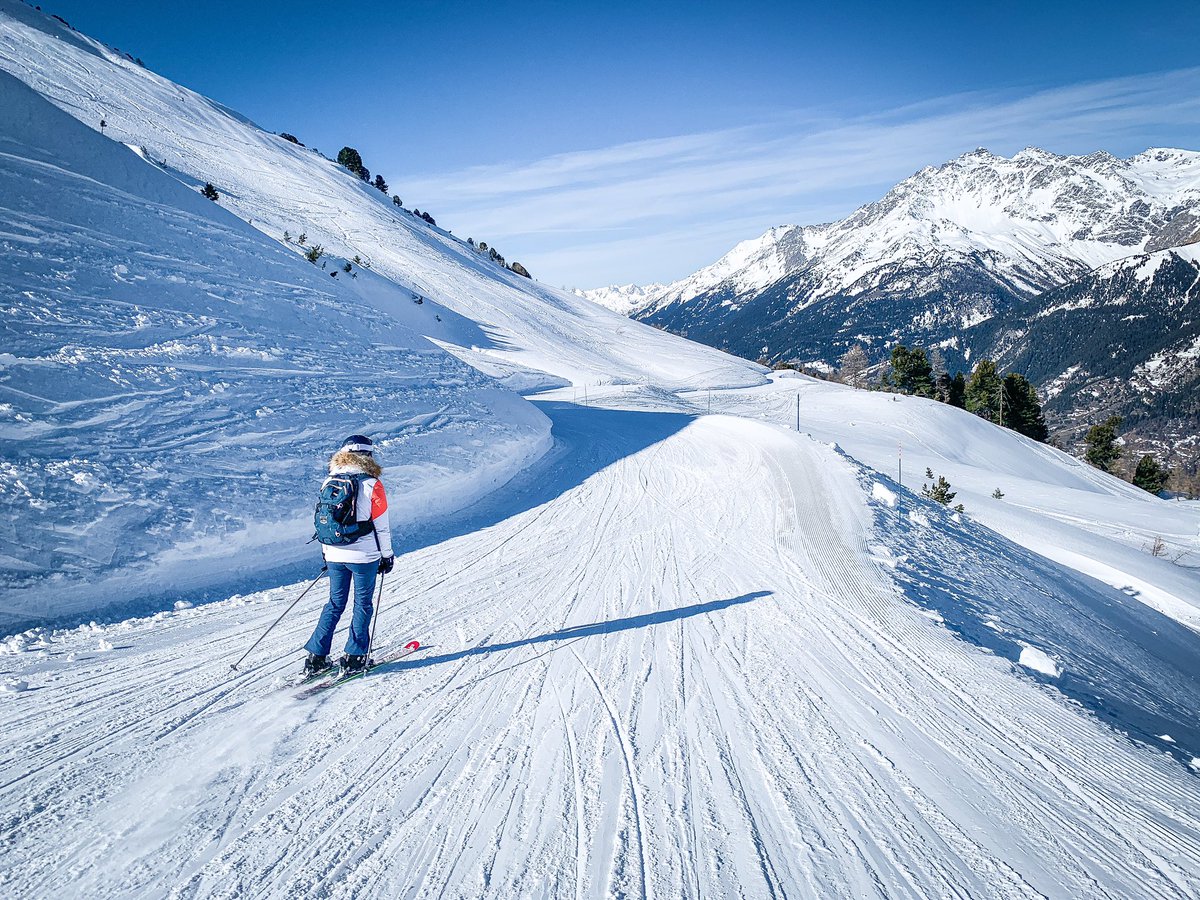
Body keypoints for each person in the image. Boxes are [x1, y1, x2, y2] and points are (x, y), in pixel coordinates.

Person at [304, 435, 395, 675]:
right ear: (368, 456)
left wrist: (326, 553)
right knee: (362, 604)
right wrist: (387, 556)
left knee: (335, 603)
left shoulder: (329, 481)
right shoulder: (372, 484)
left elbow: (323, 521)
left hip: (333, 552)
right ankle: (354, 657)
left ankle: (316, 657)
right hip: (364, 555)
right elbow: (381, 525)